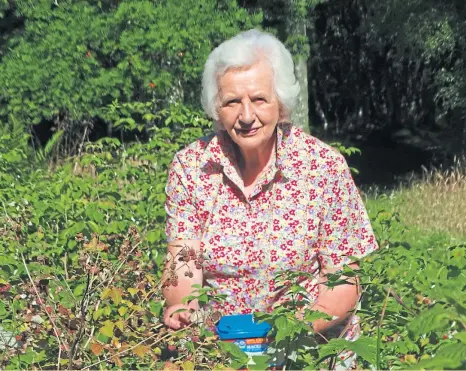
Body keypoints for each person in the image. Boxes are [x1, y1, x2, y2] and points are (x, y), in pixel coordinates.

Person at [161, 29, 378, 368]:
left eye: (259, 99)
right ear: (217, 108)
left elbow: (343, 284)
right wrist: (180, 308)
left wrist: (282, 337)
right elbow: (184, 262)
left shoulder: (322, 168)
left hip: (310, 351)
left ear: (281, 102)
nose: (246, 116)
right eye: (232, 102)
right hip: (224, 351)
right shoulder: (192, 167)